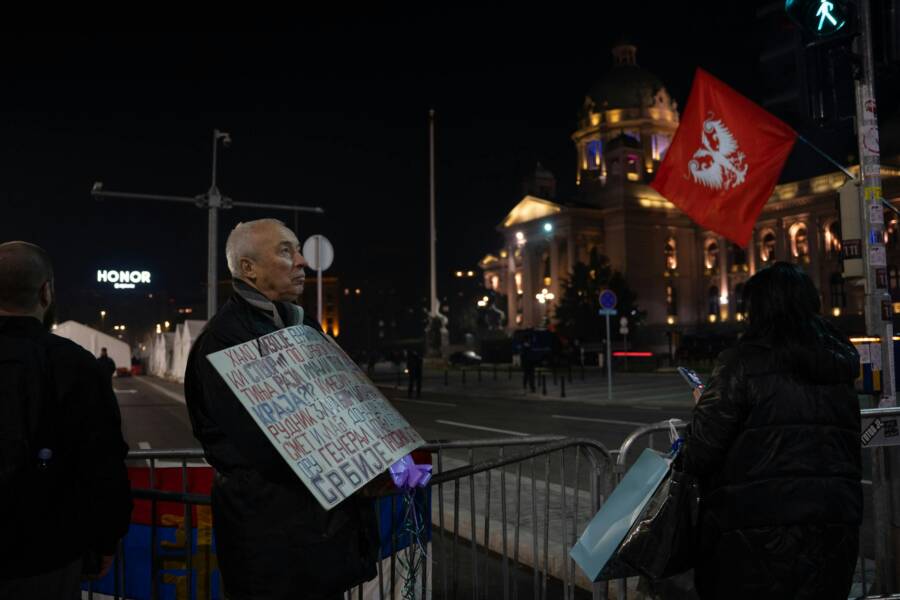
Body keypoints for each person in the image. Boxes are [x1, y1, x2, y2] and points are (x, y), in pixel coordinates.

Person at [184, 219, 379, 600]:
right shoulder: (224, 341)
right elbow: (273, 446)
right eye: (286, 251)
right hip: (272, 546)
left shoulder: (302, 325)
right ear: (248, 269)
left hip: (320, 537)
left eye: (299, 250)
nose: (302, 262)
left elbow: (345, 404)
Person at [681, 262, 861, 599]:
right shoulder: (838, 365)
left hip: (754, 531)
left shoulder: (741, 363)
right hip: (834, 523)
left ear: (759, 309)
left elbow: (699, 453)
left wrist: (705, 406)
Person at [0, 241, 132, 600]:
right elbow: (102, 461)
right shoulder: (75, 365)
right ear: (46, 292)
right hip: (46, 554)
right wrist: (106, 537)